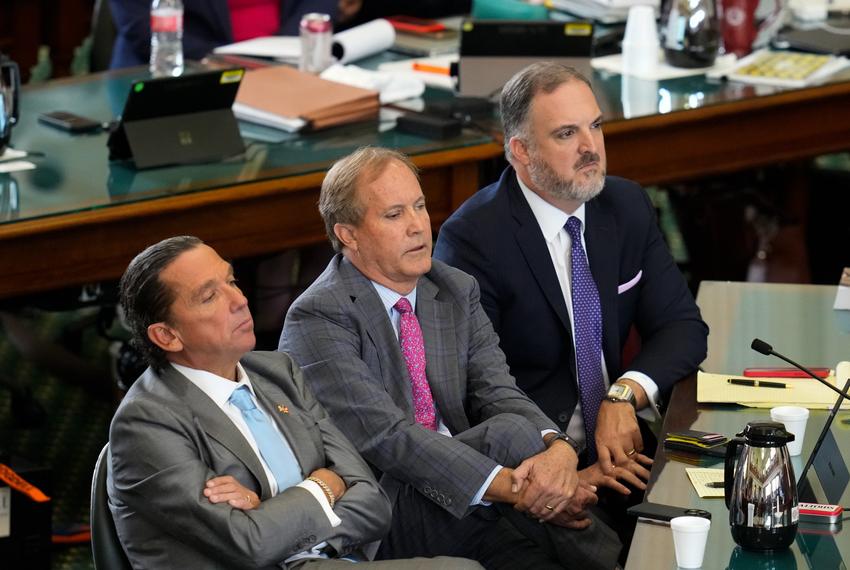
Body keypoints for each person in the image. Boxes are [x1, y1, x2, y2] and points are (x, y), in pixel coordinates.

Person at [280, 147, 621, 569]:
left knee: (531, 549)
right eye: (393, 215)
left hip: (472, 492)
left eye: (419, 206)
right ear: (348, 235)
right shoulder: (319, 316)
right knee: (509, 438)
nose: (418, 226)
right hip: (384, 509)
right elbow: (388, 438)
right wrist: (519, 489)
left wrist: (561, 454)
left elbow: (498, 391)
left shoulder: (454, 288)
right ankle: (630, 562)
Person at [108, 235, 480, 569]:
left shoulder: (276, 372)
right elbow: (250, 544)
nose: (239, 300)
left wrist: (271, 513)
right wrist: (324, 486)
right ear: (167, 336)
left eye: (231, 281)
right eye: (210, 296)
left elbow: (373, 505)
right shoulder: (146, 423)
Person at [433, 62, 708, 500]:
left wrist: (623, 396)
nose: (590, 147)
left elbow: (683, 327)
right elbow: (472, 389)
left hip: (621, 444)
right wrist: (562, 467)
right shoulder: (472, 239)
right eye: (566, 134)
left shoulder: (625, 205)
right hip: (531, 467)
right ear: (521, 151)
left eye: (595, 126)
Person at [110, 0, 339, 68]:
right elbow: (139, 22)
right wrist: (221, 59)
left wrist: (287, 50)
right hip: (187, 69)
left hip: (286, 65)